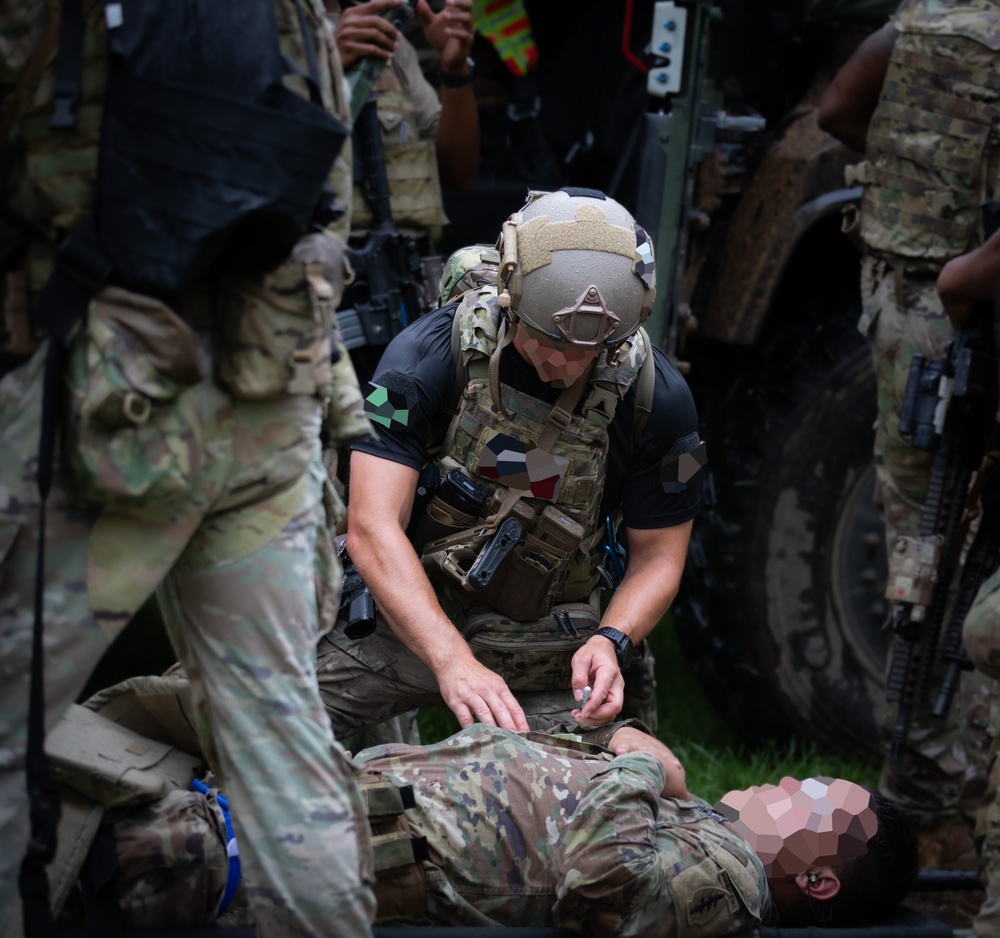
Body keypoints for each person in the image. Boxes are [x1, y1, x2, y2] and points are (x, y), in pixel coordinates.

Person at [0, 2, 377, 935]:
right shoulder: (291, 13)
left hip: (101, 405)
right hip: (268, 394)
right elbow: (330, 194)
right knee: (285, 752)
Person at [42, 672, 918, 934]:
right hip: (283, 811)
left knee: (52, 854)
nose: (789, 782)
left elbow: (598, 883)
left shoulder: (729, 888)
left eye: (814, 800)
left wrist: (644, 766)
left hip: (251, 859)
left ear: (821, 881)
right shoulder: (706, 832)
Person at [315, 187, 705, 740]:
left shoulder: (660, 402)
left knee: (642, 778)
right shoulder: (423, 358)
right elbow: (372, 527)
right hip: (403, 610)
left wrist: (611, 640)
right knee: (240, 718)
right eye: (545, 339)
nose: (561, 363)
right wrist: (453, 662)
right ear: (509, 298)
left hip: (549, 636)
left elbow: (660, 558)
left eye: (585, 351)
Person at [816, 0, 1000, 865]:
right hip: (959, 306)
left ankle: (928, 791)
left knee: (923, 549)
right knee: (954, 555)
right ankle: (949, 798)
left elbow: (837, 113)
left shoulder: (927, 20)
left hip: (920, 298)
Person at [326, 0, 479, 375]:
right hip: (324, 284)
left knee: (397, 421)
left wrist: (455, 70)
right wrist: (327, 60)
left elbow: (458, 171)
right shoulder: (267, 31)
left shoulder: (390, 41)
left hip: (402, 285)